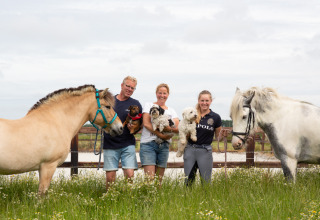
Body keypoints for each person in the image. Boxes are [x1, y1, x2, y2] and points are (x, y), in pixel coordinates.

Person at [103, 76, 142, 191]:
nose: (129, 89)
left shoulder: (136, 104)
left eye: (132, 88)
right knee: (110, 178)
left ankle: (128, 198)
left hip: (127, 143)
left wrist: (134, 128)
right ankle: (111, 197)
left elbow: (139, 125)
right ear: (122, 85)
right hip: (110, 143)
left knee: (130, 174)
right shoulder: (110, 102)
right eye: (128, 86)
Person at [139, 83, 179, 184]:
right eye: (160, 93)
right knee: (150, 179)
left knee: (159, 181)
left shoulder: (172, 110)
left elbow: (176, 127)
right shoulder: (149, 105)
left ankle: (158, 199)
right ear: (156, 93)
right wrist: (161, 134)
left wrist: (165, 128)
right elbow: (147, 124)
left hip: (164, 145)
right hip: (148, 144)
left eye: (164, 93)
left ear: (168, 94)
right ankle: (148, 198)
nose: (162, 95)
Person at [183, 90, 222, 186]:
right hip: (190, 149)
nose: (204, 103)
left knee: (206, 182)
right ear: (198, 101)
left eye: (207, 100)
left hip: (205, 151)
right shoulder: (191, 114)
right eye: (202, 100)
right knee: (188, 181)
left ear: (211, 101)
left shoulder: (216, 117)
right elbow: (184, 130)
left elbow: (218, 137)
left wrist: (223, 135)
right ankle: (187, 199)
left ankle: (206, 200)